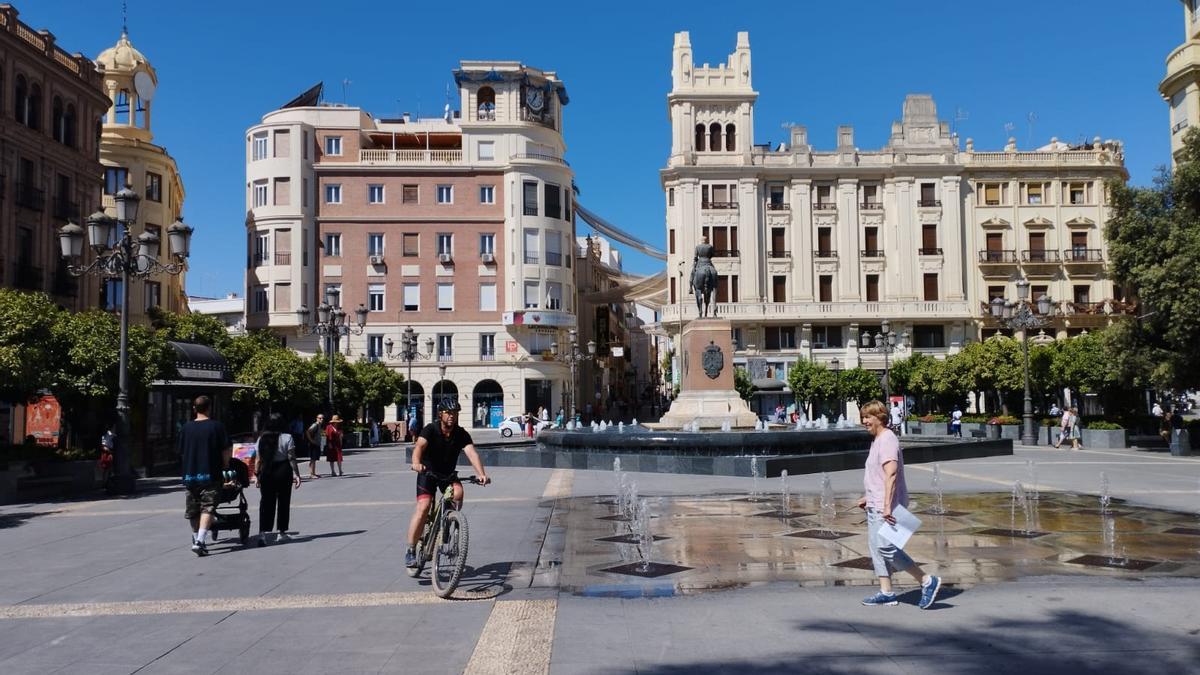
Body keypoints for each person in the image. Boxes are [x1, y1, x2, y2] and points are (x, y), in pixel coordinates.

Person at [856, 400, 941, 609]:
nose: (864, 421)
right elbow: (878, 476)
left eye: (868, 417)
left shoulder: (887, 439)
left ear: (880, 418)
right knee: (876, 548)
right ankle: (886, 592)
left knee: (886, 547)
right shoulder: (877, 440)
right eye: (863, 418)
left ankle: (926, 581)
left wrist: (886, 506)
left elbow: (891, 474)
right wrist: (868, 496)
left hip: (887, 505)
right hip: (876, 502)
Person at [405, 402, 490, 569]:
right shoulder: (430, 429)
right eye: (448, 412)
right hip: (427, 473)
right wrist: (416, 463)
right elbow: (419, 447)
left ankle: (446, 521)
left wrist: (481, 474)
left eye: (455, 412)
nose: (452, 415)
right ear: (440, 414)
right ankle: (411, 550)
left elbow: (472, 453)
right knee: (423, 507)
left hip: (447, 475)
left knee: (458, 493)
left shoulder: (460, 433)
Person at [178, 395, 231, 557]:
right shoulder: (217, 427)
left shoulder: (186, 428)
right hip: (210, 474)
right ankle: (200, 540)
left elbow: (181, 451)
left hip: (190, 475)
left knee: (193, 510)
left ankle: (196, 539)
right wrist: (226, 465)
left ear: (194, 409)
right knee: (208, 507)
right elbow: (226, 450)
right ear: (209, 408)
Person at [252, 413, 301, 546]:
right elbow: (291, 457)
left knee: (266, 502)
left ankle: (262, 534)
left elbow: (258, 459)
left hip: (267, 471)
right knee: (284, 501)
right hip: (283, 470)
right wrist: (297, 475)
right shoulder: (287, 437)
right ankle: (282, 532)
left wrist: (256, 475)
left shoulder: (261, 438)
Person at [305, 414, 325, 479]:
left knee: (314, 459)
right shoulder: (315, 425)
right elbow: (308, 432)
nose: (321, 419)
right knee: (313, 459)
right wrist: (311, 441)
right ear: (317, 418)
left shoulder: (319, 425)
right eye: (320, 418)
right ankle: (311, 474)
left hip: (316, 444)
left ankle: (313, 473)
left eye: (322, 418)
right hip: (313, 444)